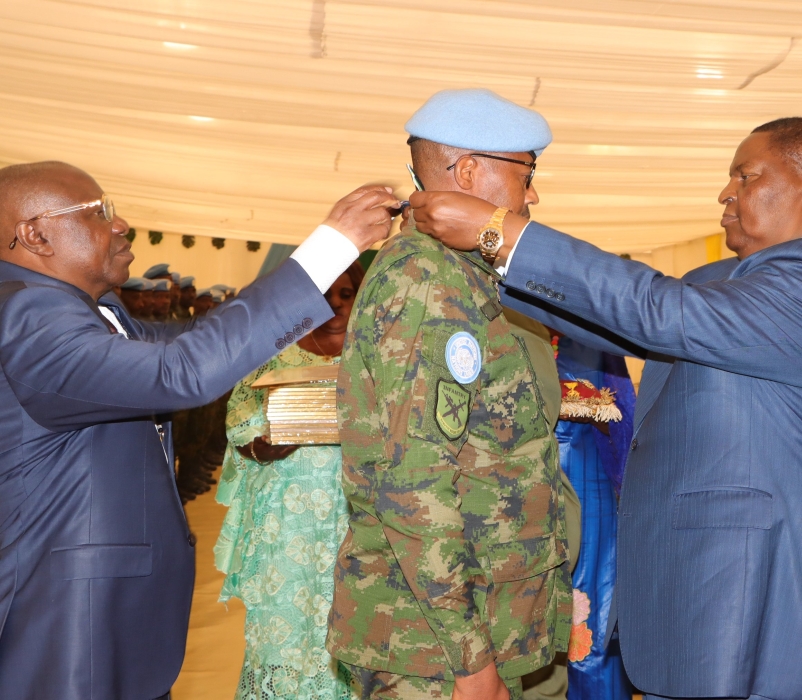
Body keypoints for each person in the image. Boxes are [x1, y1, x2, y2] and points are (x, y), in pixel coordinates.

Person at [411, 115, 802, 699]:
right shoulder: (724, 279)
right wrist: (487, 260)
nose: (726, 191)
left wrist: (501, 233)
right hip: (708, 598)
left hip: (781, 599)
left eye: (746, 175)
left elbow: (660, 311)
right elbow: (627, 318)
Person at [0, 160, 398, 699]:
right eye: (98, 213)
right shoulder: (29, 312)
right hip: (66, 611)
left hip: (104, 604)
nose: (120, 226)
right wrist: (326, 251)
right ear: (34, 235)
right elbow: (182, 371)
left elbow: (192, 340)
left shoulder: (89, 309)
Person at [329, 89, 572, 699]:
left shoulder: (461, 272)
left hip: (482, 626)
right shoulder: (424, 280)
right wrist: (469, 660)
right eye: (526, 172)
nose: (533, 194)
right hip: (433, 650)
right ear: (468, 171)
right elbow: (411, 479)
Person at [215, 261, 365, 699]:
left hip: (354, 518)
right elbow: (238, 419)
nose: (336, 306)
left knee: (351, 628)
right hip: (285, 526)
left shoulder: (375, 352)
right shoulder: (273, 347)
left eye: (346, 294)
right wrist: (260, 445)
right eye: (324, 294)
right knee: (284, 631)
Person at [552, 334, 635, 700]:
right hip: (519, 495)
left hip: (586, 489)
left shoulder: (583, 332)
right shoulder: (499, 320)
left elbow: (612, 409)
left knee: (589, 633)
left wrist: (542, 390)